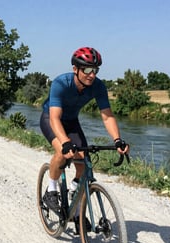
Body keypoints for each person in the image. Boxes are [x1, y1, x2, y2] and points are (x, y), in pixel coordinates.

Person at [40, 47, 129, 232]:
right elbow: (55, 117)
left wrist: (117, 140)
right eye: (87, 69)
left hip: (72, 121)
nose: (91, 75)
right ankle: (51, 189)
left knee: (84, 163)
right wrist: (65, 143)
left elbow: (107, 116)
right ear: (76, 69)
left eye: (95, 70)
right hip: (51, 119)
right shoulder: (61, 83)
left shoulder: (98, 86)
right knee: (63, 153)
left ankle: (75, 200)